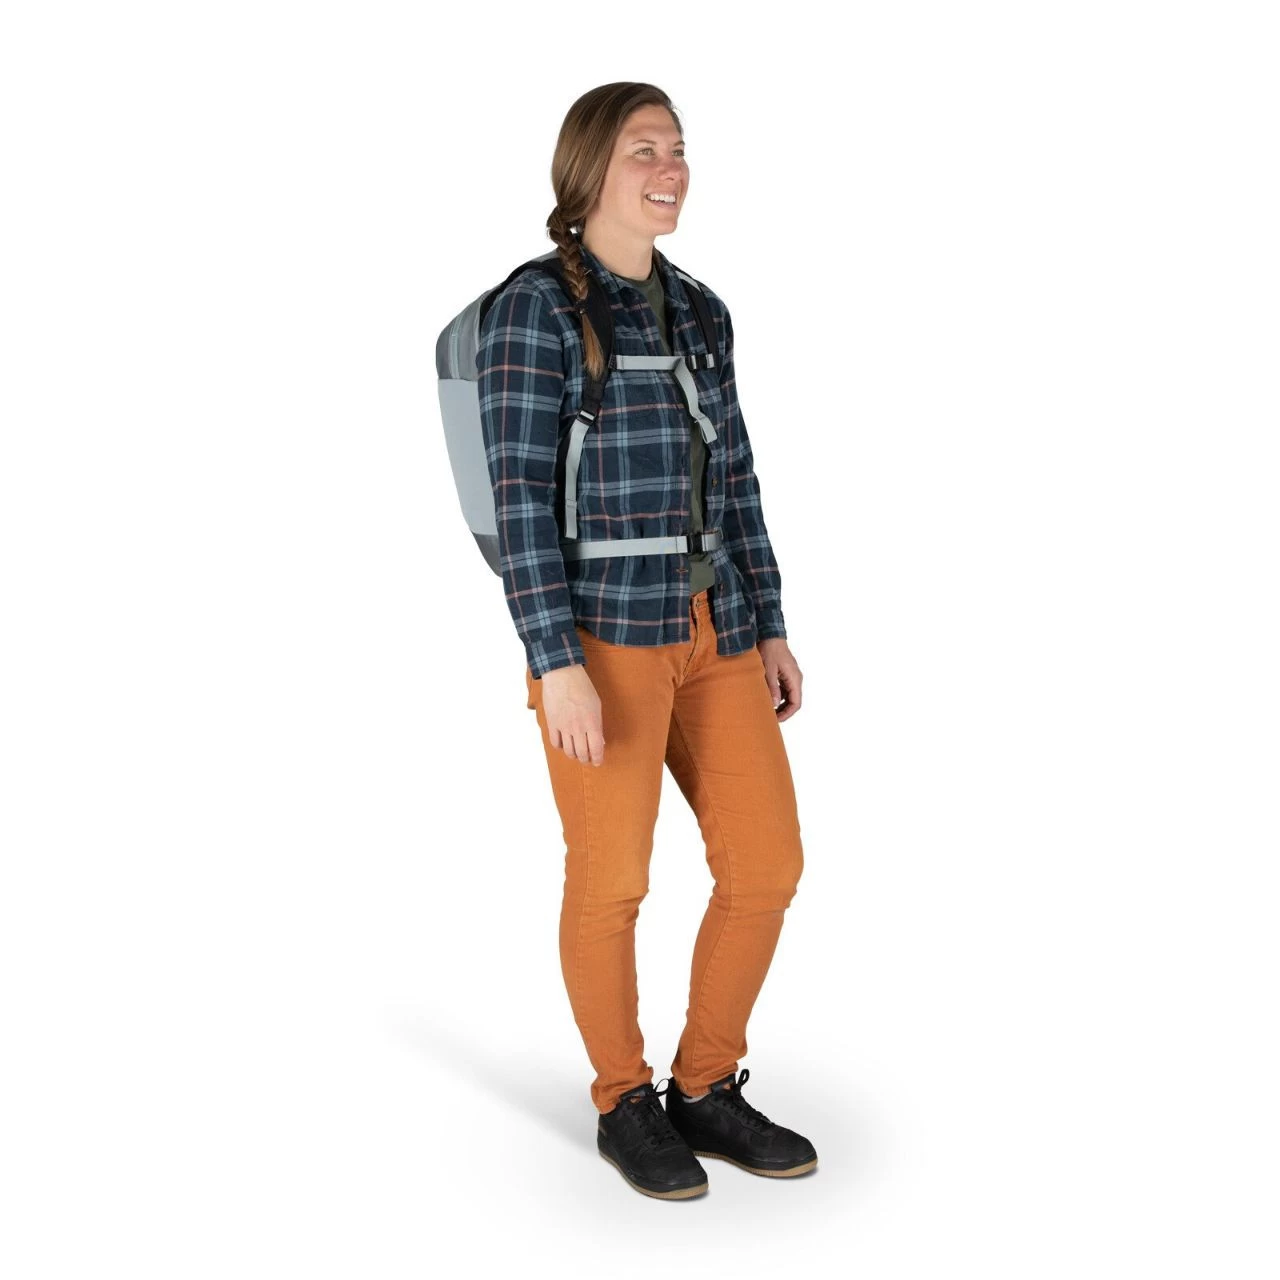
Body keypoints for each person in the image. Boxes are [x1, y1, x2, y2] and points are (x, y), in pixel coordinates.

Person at [476, 82, 816, 1200]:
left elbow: (740, 477)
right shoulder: (534, 311)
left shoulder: (703, 311)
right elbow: (520, 502)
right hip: (602, 640)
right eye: (642, 149)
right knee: (612, 879)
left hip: (717, 629)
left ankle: (704, 1084)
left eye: (677, 148)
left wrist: (768, 621)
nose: (669, 168)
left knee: (766, 865)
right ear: (587, 170)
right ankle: (623, 1100)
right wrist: (554, 659)